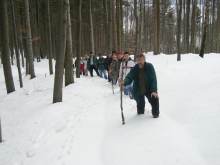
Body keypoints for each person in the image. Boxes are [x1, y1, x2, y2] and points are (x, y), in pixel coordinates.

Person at [120, 53, 160, 118]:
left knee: (154, 98)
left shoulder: (150, 67)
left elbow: (153, 79)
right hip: (138, 89)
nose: (139, 62)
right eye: (138, 60)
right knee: (140, 105)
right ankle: (140, 116)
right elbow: (130, 76)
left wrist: (154, 90)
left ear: (144, 60)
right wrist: (124, 82)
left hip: (149, 89)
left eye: (141, 60)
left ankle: (155, 115)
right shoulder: (135, 68)